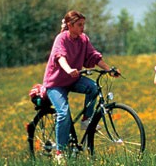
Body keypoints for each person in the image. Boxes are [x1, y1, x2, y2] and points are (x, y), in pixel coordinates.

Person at [42, 10, 120, 160]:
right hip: (56, 83)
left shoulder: (83, 39)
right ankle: (60, 153)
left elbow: (93, 56)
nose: (82, 28)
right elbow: (60, 57)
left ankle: (86, 120)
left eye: (83, 24)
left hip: (73, 79)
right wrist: (69, 69)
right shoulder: (61, 38)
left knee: (94, 88)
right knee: (64, 114)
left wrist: (108, 69)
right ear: (70, 26)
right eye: (79, 25)